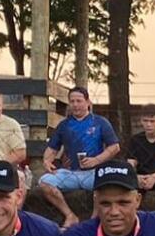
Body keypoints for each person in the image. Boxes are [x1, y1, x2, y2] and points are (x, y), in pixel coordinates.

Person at [37, 86, 121, 226]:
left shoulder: (100, 122)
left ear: (88, 102)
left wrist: (96, 160)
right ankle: (70, 215)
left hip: (94, 173)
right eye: (72, 101)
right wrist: (47, 162)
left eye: (79, 101)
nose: (75, 105)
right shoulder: (64, 125)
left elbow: (115, 147)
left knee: (106, 182)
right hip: (71, 173)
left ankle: (94, 220)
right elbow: (52, 149)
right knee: (44, 182)